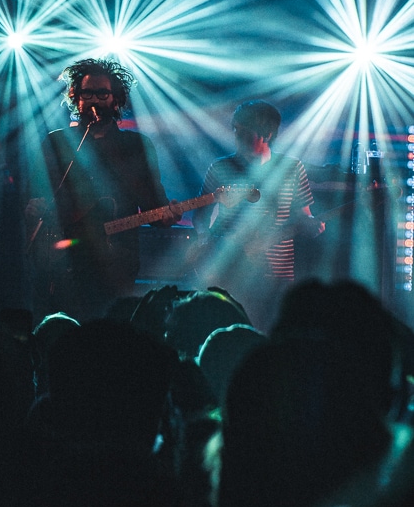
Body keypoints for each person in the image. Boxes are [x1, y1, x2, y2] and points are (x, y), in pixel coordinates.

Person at [26, 59, 180, 321]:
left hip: (117, 264)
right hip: (62, 262)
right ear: (76, 97)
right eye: (87, 93)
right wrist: (34, 207)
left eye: (102, 94)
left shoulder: (136, 145)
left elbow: (154, 205)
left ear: (116, 100)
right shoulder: (56, 141)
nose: (95, 100)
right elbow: (36, 194)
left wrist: (167, 216)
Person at [194, 100, 324, 331]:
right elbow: (200, 217)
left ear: (267, 133)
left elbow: (305, 216)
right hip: (230, 271)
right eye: (235, 128)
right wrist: (209, 242)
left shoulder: (291, 168)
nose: (236, 134)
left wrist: (312, 226)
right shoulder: (220, 168)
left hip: (276, 274)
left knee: (270, 332)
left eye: (244, 130)